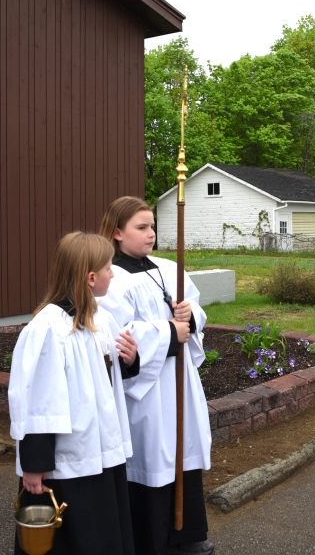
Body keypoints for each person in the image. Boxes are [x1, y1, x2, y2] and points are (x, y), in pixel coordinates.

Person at [8, 232, 140, 555]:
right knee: (72, 537)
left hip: (103, 447)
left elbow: (106, 373)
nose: (114, 273)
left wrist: (130, 359)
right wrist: (35, 465)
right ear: (91, 277)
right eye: (109, 267)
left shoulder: (101, 318)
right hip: (67, 460)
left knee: (104, 530)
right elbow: (39, 399)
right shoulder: (49, 329)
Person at [98, 196, 214, 555]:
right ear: (117, 232)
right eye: (141, 227)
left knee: (184, 449)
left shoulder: (167, 267)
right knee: (154, 454)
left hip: (179, 381)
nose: (151, 234)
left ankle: (186, 532)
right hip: (147, 391)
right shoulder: (111, 279)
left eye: (153, 226)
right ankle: (154, 540)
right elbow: (117, 335)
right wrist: (168, 332)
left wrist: (189, 314)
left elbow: (196, 308)